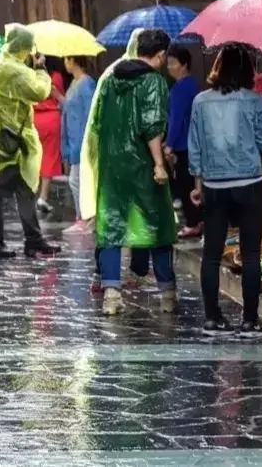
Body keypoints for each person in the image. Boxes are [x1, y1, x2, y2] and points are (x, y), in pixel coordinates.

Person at [84, 28, 177, 316]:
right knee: (157, 225)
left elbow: (97, 121)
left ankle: (111, 294)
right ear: (160, 55)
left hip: (113, 166)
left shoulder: (111, 79)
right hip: (142, 166)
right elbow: (152, 125)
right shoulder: (153, 81)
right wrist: (159, 164)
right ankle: (167, 295)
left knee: (112, 227)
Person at [189, 43, 262, 336]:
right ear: (249, 71)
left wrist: (197, 184)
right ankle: (249, 321)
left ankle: (212, 318)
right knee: (251, 253)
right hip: (250, 182)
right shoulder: (254, 101)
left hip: (214, 185)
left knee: (211, 253)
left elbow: (195, 146)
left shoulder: (201, 102)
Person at [0, 25, 61, 259]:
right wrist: (41, 68)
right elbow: (38, 91)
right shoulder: (11, 68)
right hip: (10, 139)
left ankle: (33, 240)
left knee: (25, 188)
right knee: (2, 189)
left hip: (6, 135)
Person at [165, 45, 203, 238]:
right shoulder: (193, 84)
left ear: (184, 65)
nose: (169, 67)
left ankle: (193, 222)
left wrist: (169, 143)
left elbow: (176, 118)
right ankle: (197, 220)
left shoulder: (180, 88)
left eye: (173, 63)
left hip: (182, 143)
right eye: (168, 63)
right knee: (192, 183)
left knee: (185, 184)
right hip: (193, 142)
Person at [61, 56, 96, 220]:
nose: (65, 64)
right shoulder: (74, 83)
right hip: (73, 139)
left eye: (66, 60)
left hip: (82, 139)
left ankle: (84, 217)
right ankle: (81, 216)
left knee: (76, 181)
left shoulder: (86, 83)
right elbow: (70, 106)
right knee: (77, 180)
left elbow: (90, 111)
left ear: (73, 61)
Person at [33, 63, 65, 218]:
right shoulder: (56, 76)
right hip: (51, 118)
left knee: (33, 156)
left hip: (34, 118)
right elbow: (60, 96)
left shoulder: (30, 75)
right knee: (49, 156)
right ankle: (43, 196)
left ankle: (31, 192)